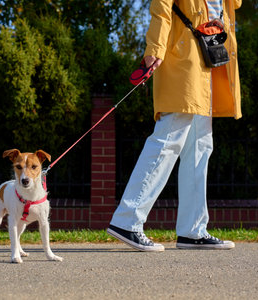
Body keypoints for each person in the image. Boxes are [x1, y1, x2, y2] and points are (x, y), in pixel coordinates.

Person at [107, 0, 242, 251]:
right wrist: (155, 48)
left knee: (201, 145)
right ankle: (128, 220)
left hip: (207, 63)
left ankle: (193, 230)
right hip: (183, 61)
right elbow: (161, 8)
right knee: (168, 139)